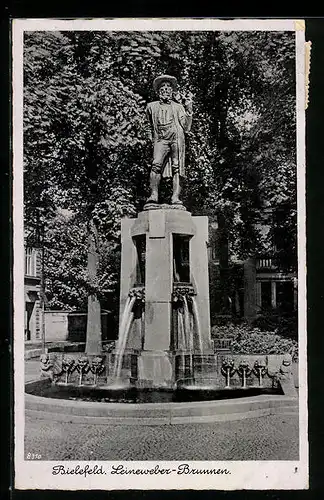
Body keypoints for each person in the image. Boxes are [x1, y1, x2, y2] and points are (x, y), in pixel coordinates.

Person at [144, 74, 193, 206]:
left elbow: (186, 127)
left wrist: (189, 109)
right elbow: (147, 124)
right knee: (156, 164)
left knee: (177, 168)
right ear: (158, 91)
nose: (165, 90)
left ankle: (175, 197)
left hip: (176, 138)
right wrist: (150, 137)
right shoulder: (151, 106)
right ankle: (153, 195)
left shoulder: (178, 107)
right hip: (161, 139)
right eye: (163, 87)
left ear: (172, 91)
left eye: (168, 87)